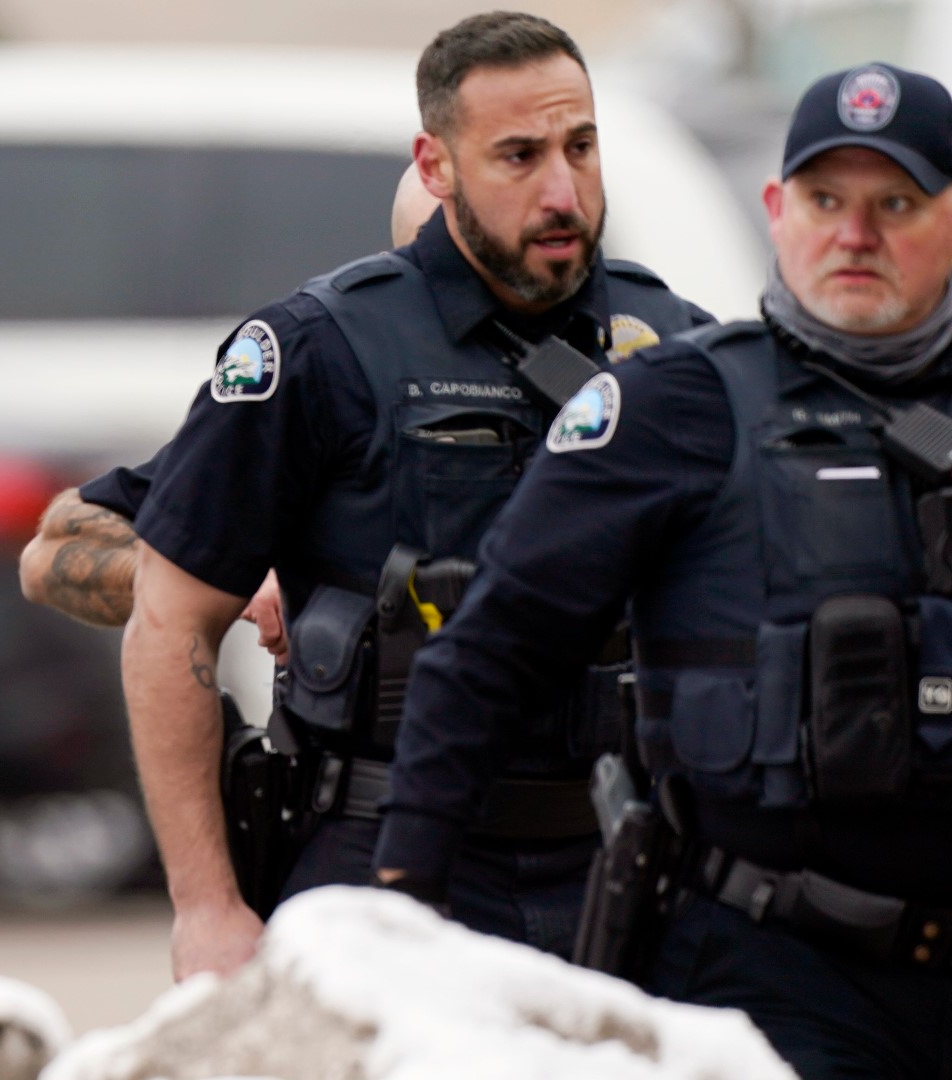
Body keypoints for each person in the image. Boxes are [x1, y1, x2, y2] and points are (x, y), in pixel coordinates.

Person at [373, 62, 952, 1078]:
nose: (854, 236)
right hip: (766, 976)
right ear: (778, 210)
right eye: (826, 201)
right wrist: (404, 898)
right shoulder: (675, 405)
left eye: (895, 204)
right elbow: (490, 657)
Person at [118, 10, 715, 982]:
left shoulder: (680, 344)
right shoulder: (318, 352)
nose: (561, 189)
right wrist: (208, 907)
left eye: (581, 146)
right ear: (435, 166)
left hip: (621, 856)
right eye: (518, 156)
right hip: (378, 860)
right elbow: (171, 621)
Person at [18, 162, 442, 647]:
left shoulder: (548, 383)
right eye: (432, 263)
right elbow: (53, 554)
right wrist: (218, 585)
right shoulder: (330, 366)